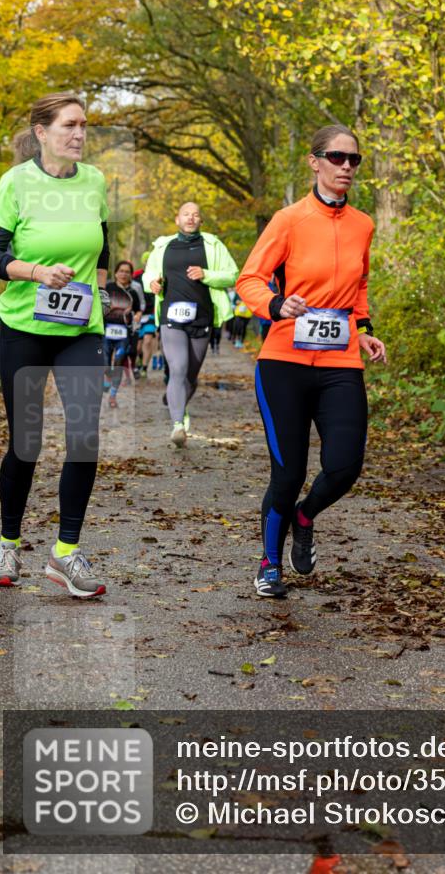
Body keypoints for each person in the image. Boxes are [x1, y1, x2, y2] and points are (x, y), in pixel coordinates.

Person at [236, 124, 387, 598]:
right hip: (284, 362)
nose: (346, 166)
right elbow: (249, 279)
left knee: (345, 466)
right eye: (337, 157)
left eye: (353, 159)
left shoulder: (363, 224)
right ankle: (269, 563)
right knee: (288, 472)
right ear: (315, 162)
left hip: (340, 362)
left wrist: (363, 329)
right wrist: (276, 304)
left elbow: (359, 285)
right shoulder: (288, 220)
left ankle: (305, 517)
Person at [0, 91, 111, 598]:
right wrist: (36, 272)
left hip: (81, 329)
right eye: (69, 125)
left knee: (84, 436)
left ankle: (65, 553)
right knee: (27, 441)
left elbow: (103, 241)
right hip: (24, 328)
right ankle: (8, 543)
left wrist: (102, 290)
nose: (79, 134)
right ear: (42, 132)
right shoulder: (15, 183)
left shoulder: (95, 181)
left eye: (83, 125)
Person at [143, 201, 238, 446]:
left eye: (195, 215)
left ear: (200, 221)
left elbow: (233, 275)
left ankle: (177, 402)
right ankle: (177, 424)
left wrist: (207, 274)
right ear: (178, 219)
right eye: (186, 214)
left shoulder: (213, 245)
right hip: (171, 317)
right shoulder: (163, 246)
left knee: (191, 375)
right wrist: (152, 283)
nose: (190, 218)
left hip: (202, 317)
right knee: (178, 368)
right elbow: (148, 274)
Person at [104, 260, 141, 408]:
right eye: (121, 271)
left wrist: (137, 315)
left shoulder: (133, 292)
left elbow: (138, 310)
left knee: (119, 363)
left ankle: (113, 396)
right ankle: (107, 376)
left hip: (124, 333)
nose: (124, 274)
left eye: (127, 272)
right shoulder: (108, 288)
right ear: (115, 273)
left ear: (131, 275)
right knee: (105, 362)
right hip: (106, 330)